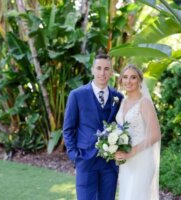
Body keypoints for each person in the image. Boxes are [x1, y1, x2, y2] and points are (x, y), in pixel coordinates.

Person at [63, 50, 123, 200]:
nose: (102, 73)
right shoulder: (76, 95)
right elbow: (68, 129)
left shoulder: (118, 97)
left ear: (111, 72)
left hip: (109, 163)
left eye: (106, 69)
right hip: (85, 159)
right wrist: (75, 156)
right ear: (92, 70)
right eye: (99, 68)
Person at [115, 64, 161, 200]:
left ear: (140, 81)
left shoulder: (144, 103)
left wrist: (132, 152)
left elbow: (155, 134)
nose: (128, 81)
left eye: (133, 77)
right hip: (126, 160)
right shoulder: (123, 102)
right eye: (125, 77)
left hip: (141, 158)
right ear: (121, 80)